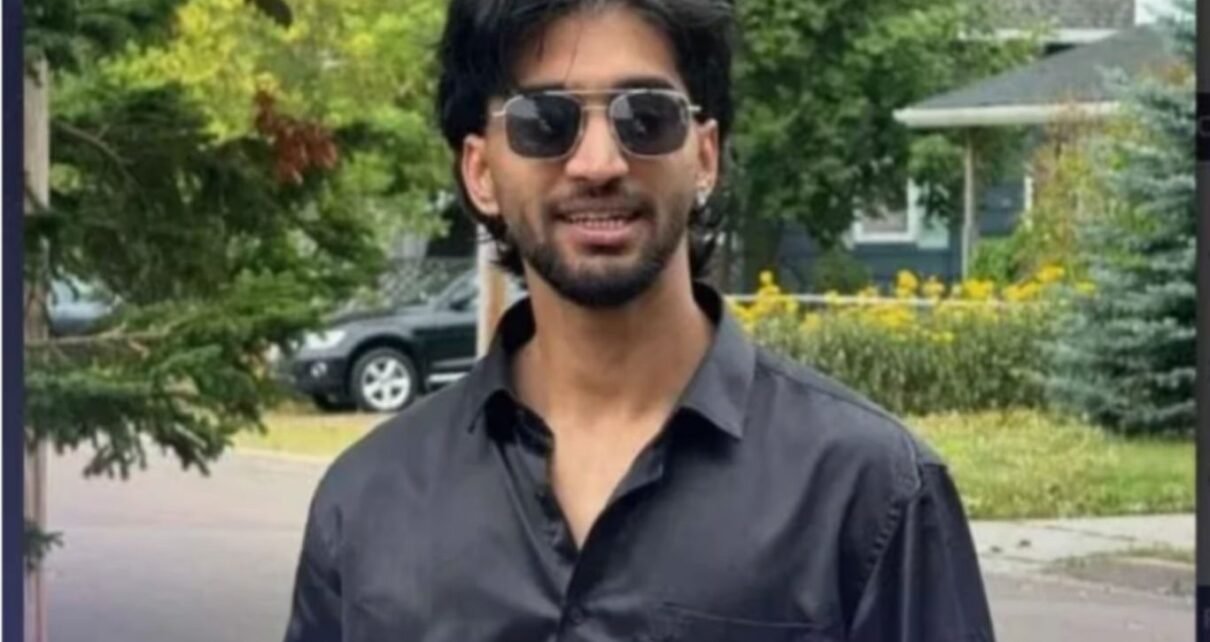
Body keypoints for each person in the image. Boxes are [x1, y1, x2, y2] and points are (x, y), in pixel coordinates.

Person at [283, 0, 996, 640]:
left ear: (705, 156)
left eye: (646, 117)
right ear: (481, 172)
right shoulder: (367, 504)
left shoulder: (869, 494)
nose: (599, 162)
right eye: (544, 121)